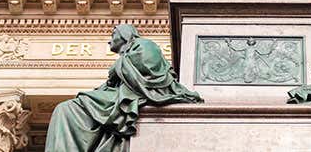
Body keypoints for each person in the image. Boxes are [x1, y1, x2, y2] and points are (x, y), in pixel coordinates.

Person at [45, 24, 203, 152]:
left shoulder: (144, 44)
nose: (109, 41)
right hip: (120, 95)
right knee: (67, 108)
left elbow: (150, 67)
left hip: (131, 95)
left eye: (113, 34)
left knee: (68, 109)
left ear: (125, 35)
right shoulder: (128, 54)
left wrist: (118, 67)